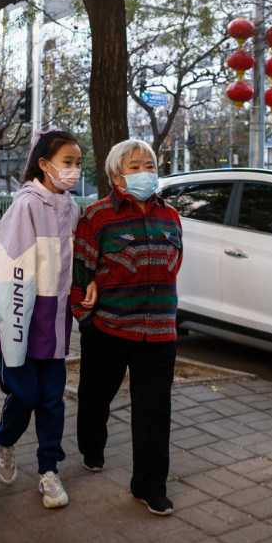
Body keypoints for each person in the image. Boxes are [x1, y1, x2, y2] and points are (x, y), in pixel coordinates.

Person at [70, 139, 183, 517]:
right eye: (135, 166)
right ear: (116, 174)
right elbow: (80, 273)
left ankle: (149, 486)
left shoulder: (170, 216)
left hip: (159, 330)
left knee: (154, 412)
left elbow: (172, 265)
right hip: (109, 328)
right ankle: (92, 448)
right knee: (95, 398)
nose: (145, 171)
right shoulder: (97, 216)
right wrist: (88, 320)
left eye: (149, 164)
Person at [0, 128, 86, 509]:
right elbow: (10, 273)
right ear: (44, 165)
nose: (73, 170)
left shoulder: (72, 207)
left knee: (52, 399)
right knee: (24, 394)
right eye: (67, 162)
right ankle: (5, 441)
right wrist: (13, 322)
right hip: (21, 316)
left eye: (78, 163)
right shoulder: (25, 206)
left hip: (56, 320)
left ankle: (49, 470)